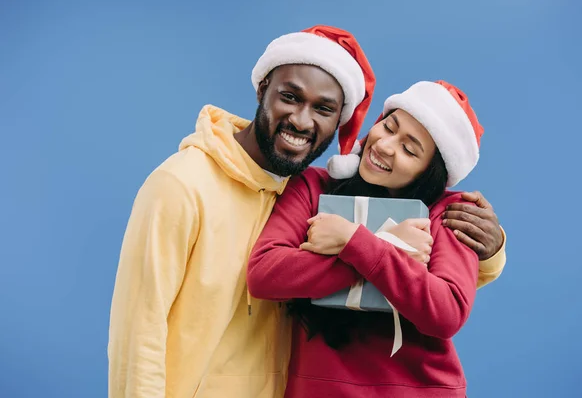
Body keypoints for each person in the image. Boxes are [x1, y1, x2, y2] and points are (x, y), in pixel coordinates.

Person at [108, 24, 505, 398]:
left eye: (323, 109)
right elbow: (138, 333)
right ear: (263, 87)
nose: (301, 120)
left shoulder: (288, 179)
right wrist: (378, 246)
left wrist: (490, 251)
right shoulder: (185, 185)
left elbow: (444, 296)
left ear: (340, 123)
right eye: (290, 97)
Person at [247, 80, 504, 397]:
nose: (384, 146)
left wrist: (354, 241)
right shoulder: (314, 186)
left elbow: (445, 313)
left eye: (410, 149)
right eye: (388, 127)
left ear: (430, 171)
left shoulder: (449, 212)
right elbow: (264, 275)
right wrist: (388, 246)